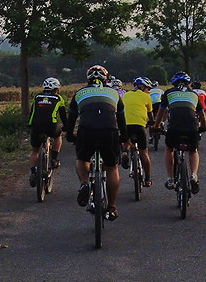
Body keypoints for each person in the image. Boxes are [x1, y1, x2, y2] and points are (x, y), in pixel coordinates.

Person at [66, 64, 127, 221]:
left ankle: (84, 183)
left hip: (87, 130)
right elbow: (121, 119)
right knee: (112, 166)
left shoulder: (79, 93)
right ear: (105, 79)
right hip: (109, 131)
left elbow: (71, 118)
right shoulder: (114, 93)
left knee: (82, 158)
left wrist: (70, 135)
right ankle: (112, 207)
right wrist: (124, 137)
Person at [153, 72, 206, 193]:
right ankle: (193, 175)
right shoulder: (193, 94)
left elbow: (161, 113)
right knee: (193, 151)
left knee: (169, 149)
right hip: (191, 128)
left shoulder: (168, 93)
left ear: (174, 83)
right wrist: (203, 127)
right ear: (188, 83)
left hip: (174, 128)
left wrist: (156, 126)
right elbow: (202, 115)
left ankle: (170, 179)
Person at [27, 76, 68, 187]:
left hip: (36, 126)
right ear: (56, 89)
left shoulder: (37, 97)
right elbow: (63, 116)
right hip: (51, 126)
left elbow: (32, 113)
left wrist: (30, 126)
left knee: (35, 150)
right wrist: (66, 127)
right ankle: (54, 158)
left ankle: (33, 172)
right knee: (58, 135)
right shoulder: (58, 98)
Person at [119, 76, 155, 186]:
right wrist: (152, 122)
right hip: (139, 126)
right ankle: (147, 179)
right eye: (148, 88)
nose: (148, 91)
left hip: (126, 125)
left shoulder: (126, 95)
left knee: (127, 141)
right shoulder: (146, 97)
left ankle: (125, 152)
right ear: (142, 87)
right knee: (144, 152)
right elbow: (150, 114)